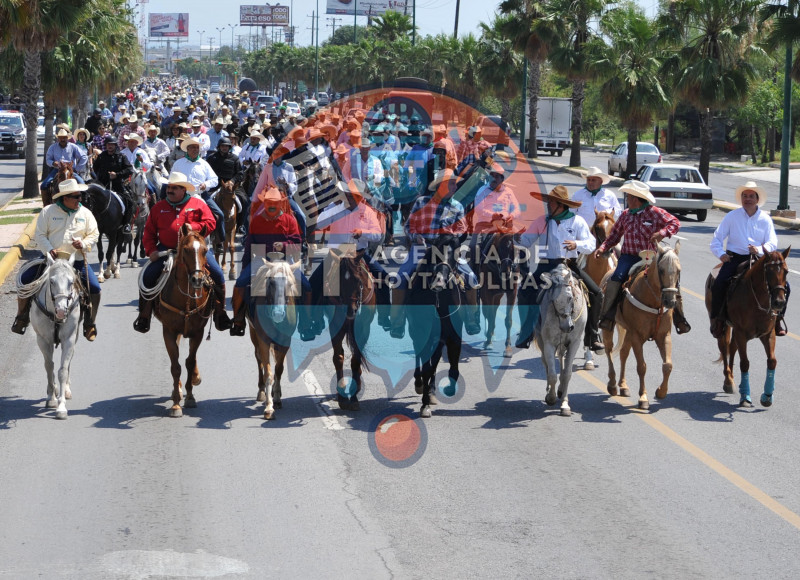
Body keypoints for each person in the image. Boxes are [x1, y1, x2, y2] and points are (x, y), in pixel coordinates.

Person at [133, 171, 231, 333]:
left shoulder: (198, 204)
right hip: (167, 250)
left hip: (194, 250)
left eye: (174, 188)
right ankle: (144, 315)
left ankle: (221, 313)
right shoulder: (159, 207)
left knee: (218, 274)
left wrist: (194, 228)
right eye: (169, 187)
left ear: (183, 190)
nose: (170, 190)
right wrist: (152, 250)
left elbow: (211, 222)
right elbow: (149, 232)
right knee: (148, 276)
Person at [390, 168, 481, 338]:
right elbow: (409, 226)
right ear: (441, 186)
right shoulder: (421, 203)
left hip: (448, 250)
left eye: (455, 184)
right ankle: (397, 321)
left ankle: (471, 318)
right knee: (400, 278)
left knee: (471, 278)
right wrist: (415, 236)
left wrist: (451, 238)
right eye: (452, 183)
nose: (455, 187)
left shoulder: (458, 206)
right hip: (422, 248)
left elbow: (462, 230)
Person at [593, 180, 690, 333]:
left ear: (636, 199)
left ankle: (679, 317)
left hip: (651, 257)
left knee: (671, 279)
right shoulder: (625, 215)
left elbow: (675, 222)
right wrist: (603, 247)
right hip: (629, 257)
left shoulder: (655, 212)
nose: (627, 199)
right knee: (616, 278)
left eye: (629, 197)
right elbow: (614, 236)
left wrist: (662, 233)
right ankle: (608, 315)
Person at [515, 185, 602, 351]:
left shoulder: (577, 221)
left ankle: (593, 334)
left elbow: (591, 244)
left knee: (597, 293)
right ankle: (526, 332)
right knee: (525, 291)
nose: (548, 205)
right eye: (548, 202)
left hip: (571, 265)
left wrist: (576, 244)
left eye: (552, 202)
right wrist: (514, 238)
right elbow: (526, 241)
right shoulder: (542, 221)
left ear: (561, 205)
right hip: (546, 266)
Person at [13, 179, 101, 340]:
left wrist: (83, 243)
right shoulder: (48, 212)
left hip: (77, 261)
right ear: (65, 198)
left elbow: (94, 234)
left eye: (80, 196)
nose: (79, 199)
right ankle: (21, 317)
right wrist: (49, 250)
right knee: (25, 281)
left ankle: (90, 323)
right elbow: (40, 234)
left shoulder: (85, 213)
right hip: (50, 261)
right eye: (76, 196)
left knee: (95, 288)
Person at [231, 186, 309, 337]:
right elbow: (249, 248)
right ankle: (238, 320)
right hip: (262, 262)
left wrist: (284, 246)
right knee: (240, 283)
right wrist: (244, 268)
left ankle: (306, 321)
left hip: (285, 262)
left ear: (281, 204)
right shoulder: (256, 221)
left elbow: (298, 245)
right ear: (264, 203)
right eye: (268, 202)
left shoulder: (289, 220)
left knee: (307, 286)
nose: (271, 206)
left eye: (275, 203)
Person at [708, 181, 783, 337]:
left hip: (760, 258)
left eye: (751, 196)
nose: (747, 199)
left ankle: (777, 319)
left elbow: (772, 242)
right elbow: (717, 238)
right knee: (719, 282)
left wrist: (760, 249)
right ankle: (719, 319)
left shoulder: (765, 218)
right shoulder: (732, 216)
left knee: (783, 285)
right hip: (735, 257)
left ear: (757, 199)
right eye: (745, 196)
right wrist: (721, 254)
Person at [170, 136, 226, 240]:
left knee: (220, 214)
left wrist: (206, 184)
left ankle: (219, 240)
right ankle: (166, 239)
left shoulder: (204, 164)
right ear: (187, 149)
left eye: (197, 147)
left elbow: (214, 179)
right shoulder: (178, 163)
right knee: (166, 214)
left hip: (201, 194)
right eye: (193, 147)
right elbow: (171, 179)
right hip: (181, 196)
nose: (195, 150)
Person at [41, 129, 89, 195]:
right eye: (60, 138)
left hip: (70, 170)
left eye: (64, 138)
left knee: (82, 184)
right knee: (44, 185)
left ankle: (81, 202)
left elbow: (84, 157)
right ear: (58, 138)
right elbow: (48, 160)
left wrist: (77, 169)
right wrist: (53, 163)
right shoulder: (52, 147)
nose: (62, 139)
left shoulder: (73, 147)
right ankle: (46, 203)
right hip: (57, 170)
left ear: (67, 138)